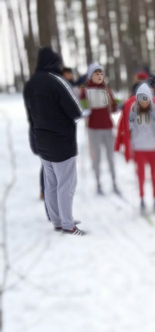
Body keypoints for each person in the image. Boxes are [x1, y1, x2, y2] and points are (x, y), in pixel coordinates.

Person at [23, 47, 87, 235]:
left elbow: (31, 115)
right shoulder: (57, 82)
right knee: (66, 184)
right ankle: (68, 224)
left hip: (42, 140)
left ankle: (57, 220)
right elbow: (76, 111)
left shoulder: (30, 84)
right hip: (61, 142)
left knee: (50, 183)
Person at [114, 83, 155, 213]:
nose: (144, 102)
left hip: (152, 148)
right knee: (141, 175)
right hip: (139, 148)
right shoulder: (133, 110)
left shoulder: (154, 110)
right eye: (141, 99)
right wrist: (130, 146)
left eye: (146, 99)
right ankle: (142, 198)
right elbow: (129, 130)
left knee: (153, 176)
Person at [81, 62, 121, 195]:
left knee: (110, 157)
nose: (99, 76)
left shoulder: (107, 90)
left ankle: (114, 181)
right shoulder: (85, 92)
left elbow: (114, 108)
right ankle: (98, 182)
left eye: (101, 73)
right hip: (94, 129)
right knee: (96, 157)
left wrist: (118, 103)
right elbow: (82, 109)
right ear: (90, 76)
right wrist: (86, 110)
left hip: (108, 127)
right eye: (96, 73)